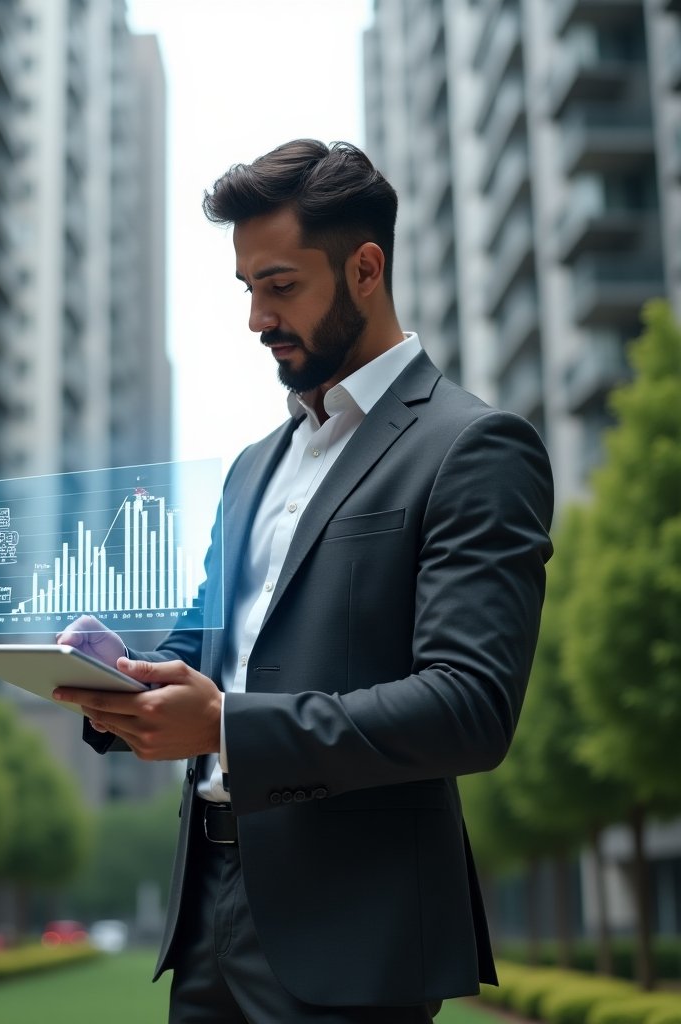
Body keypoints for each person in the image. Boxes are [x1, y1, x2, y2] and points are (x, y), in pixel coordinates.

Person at [53, 139, 554, 1023]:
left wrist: (226, 727)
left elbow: (469, 707)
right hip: (205, 908)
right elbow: (204, 650)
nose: (256, 318)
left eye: (280, 286)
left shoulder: (473, 448)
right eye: (248, 289)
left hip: (354, 931)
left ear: (366, 269)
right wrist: (117, 681)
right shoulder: (252, 467)